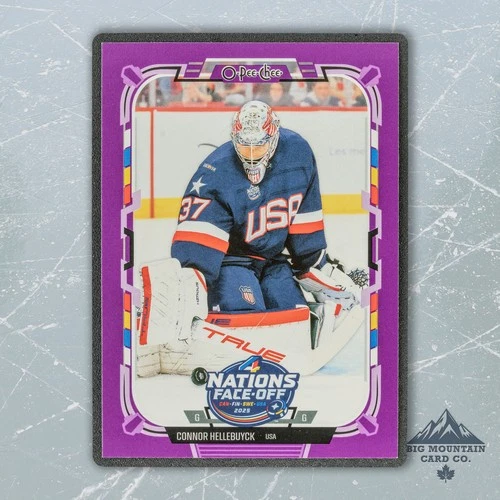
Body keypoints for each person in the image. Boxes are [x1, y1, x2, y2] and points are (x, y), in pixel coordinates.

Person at [170, 100, 358, 313]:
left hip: (274, 262)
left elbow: (305, 219)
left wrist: (315, 264)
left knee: (295, 315)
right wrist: (189, 291)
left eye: (259, 145)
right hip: (231, 261)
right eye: (244, 146)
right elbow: (197, 247)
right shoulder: (216, 173)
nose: (251, 155)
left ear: (274, 136)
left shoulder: (298, 153)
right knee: (243, 314)